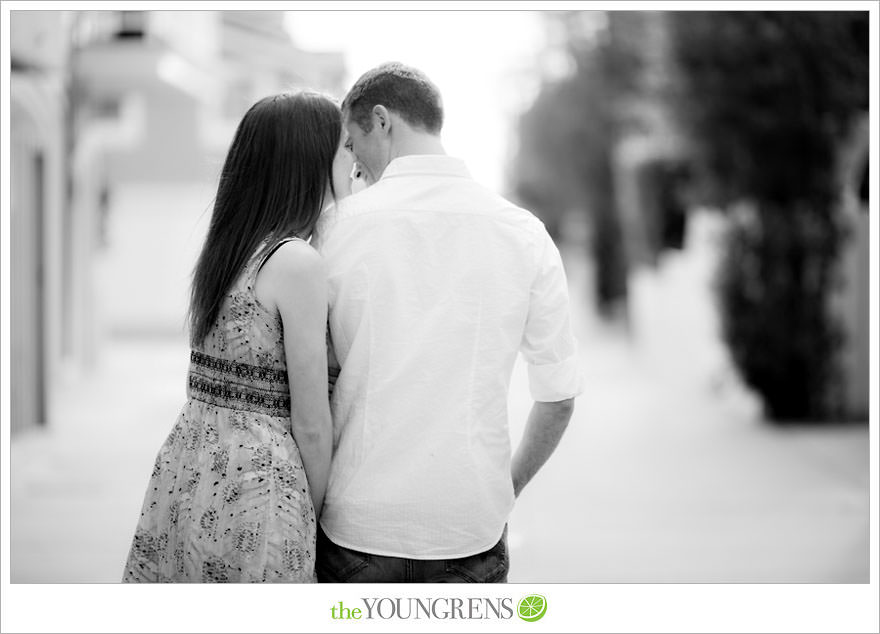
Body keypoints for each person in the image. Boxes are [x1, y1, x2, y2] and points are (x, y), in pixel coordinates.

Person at [312, 62, 583, 583]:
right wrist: (505, 489)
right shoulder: (523, 234)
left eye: (351, 143)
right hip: (470, 527)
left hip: (359, 526)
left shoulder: (336, 229)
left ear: (382, 121)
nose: (352, 163)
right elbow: (559, 395)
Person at [122, 90, 353, 582]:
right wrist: (315, 516)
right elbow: (311, 423)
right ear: (310, 161)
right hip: (258, 486)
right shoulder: (297, 262)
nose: (352, 161)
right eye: (344, 148)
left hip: (191, 467)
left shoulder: (230, 251)